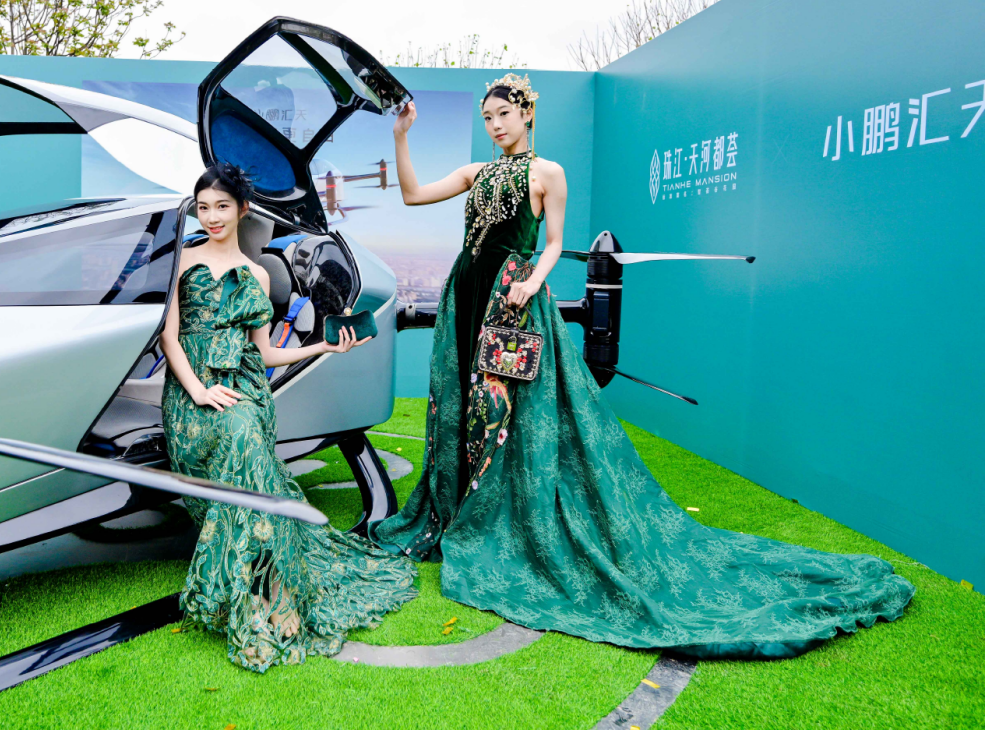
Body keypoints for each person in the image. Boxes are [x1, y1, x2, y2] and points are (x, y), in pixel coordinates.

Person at [369, 75, 913, 659]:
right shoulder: (476, 173)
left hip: (512, 299)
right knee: (465, 402)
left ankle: (508, 521)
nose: (495, 125)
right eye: (488, 117)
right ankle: (459, 508)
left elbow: (552, 243)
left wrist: (531, 282)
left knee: (511, 414)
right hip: (467, 297)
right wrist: (401, 137)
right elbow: (413, 195)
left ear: (526, 113)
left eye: (504, 113)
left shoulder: (548, 173)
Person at [161, 162, 417, 672]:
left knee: (247, 438)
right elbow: (169, 336)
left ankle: (272, 589)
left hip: (245, 391)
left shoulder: (258, 275)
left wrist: (322, 346)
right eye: (204, 207)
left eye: (222, 206)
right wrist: (200, 390)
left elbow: (264, 353)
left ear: (242, 210)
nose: (212, 217)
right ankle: (271, 584)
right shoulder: (180, 259)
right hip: (193, 393)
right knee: (245, 449)